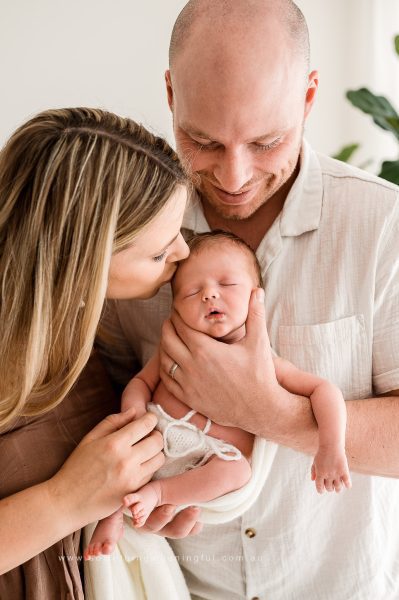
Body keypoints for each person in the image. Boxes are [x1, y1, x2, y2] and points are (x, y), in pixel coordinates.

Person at [97, 1, 399, 598]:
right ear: (170, 94)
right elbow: (104, 392)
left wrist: (269, 412)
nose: (233, 176)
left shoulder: (384, 226)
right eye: (202, 140)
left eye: (267, 141)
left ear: (309, 97)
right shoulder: (131, 235)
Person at [0, 106, 194, 599]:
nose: (183, 254)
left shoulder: (83, 329)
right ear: (82, 258)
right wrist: (64, 501)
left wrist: (130, 514)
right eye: (158, 251)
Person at [87, 230, 350, 558]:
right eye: (192, 292)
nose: (209, 295)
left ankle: (160, 492)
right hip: (155, 435)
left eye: (227, 285)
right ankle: (111, 518)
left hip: (210, 457)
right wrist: (135, 415)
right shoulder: (174, 350)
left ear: (256, 296)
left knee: (238, 470)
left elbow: (323, 390)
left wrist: (330, 447)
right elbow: (140, 383)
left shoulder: (264, 360)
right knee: (118, 454)